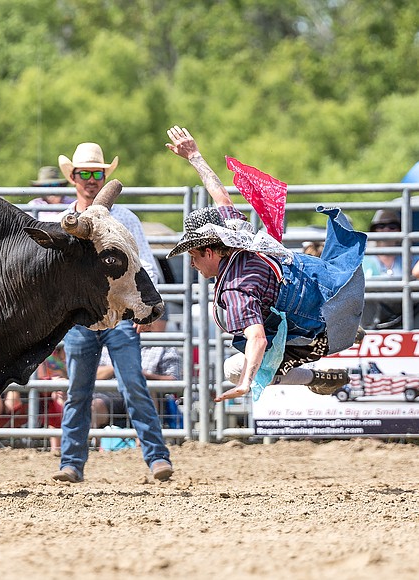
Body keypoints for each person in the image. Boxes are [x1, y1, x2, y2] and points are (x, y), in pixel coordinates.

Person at [165, 125, 366, 402]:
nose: (192, 265)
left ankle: (317, 374)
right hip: (341, 285)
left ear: (209, 252)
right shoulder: (238, 232)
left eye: (193, 256)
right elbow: (220, 195)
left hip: (325, 326)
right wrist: (194, 156)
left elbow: (257, 339)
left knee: (234, 368)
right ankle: (346, 329)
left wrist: (245, 383)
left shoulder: (236, 288)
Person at [52, 142, 173, 484]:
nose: (91, 179)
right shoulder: (66, 221)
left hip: (118, 316)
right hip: (82, 318)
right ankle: (71, 463)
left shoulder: (125, 218)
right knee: (79, 390)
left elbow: (145, 264)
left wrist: (144, 309)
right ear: (74, 177)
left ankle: (156, 457)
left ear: (104, 177)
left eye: (97, 173)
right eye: (85, 173)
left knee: (132, 384)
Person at [360, 209, 418, 329]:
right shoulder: (362, 259)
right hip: (370, 320)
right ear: (373, 230)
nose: (386, 230)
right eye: (380, 226)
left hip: (409, 317)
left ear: (400, 230)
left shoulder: (413, 257)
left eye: (392, 226)